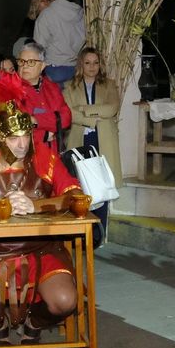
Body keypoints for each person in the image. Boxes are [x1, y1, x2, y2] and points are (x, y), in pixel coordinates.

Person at [0, 71, 91, 344]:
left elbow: (75, 194)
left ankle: (35, 321)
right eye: (13, 138)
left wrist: (36, 205)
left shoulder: (45, 157)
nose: (23, 144)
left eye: (26, 135)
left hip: (41, 248)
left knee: (65, 301)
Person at [62, 46, 123, 243]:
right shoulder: (69, 86)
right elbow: (69, 113)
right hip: (80, 140)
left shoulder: (110, 85)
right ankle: (82, 235)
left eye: (95, 63)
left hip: (103, 141)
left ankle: (100, 235)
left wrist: (85, 111)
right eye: (87, 63)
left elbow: (112, 108)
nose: (92, 67)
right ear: (81, 64)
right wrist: (93, 117)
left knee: (102, 189)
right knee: (81, 188)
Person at [15, 41, 71, 153]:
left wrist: (36, 120)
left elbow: (66, 118)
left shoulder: (52, 87)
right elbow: (14, 129)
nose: (25, 66)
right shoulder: (10, 90)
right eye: (21, 61)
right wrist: (45, 135)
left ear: (42, 66)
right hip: (25, 157)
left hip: (53, 155)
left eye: (31, 62)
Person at [35, 0, 85, 85]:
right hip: (77, 69)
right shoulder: (81, 14)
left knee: (56, 101)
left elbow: (39, 47)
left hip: (54, 69)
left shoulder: (47, 15)